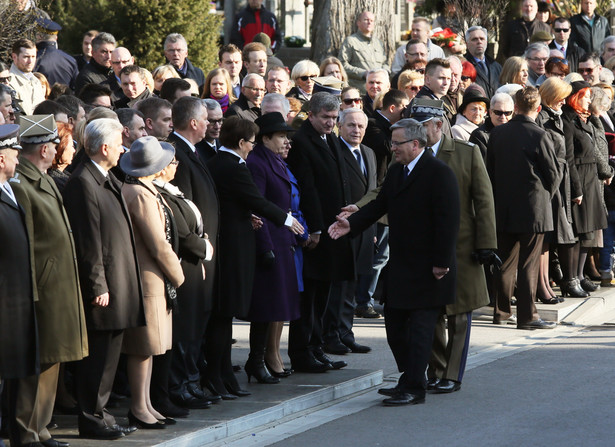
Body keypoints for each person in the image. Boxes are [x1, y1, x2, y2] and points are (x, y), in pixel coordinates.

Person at [329, 118, 460, 405]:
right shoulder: (398, 171)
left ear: (415, 144)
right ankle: (411, 375)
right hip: (402, 264)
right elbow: (380, 205)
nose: (393, 148)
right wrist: (352, 224)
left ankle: (414, 387)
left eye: (397, 143)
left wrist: (441, 261)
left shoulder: (439, 173)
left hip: (430, 267)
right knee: (395, 324)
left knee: (421, 329)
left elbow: (448, 221)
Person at [406, 100, 497, 394]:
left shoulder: (466, 153)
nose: (417, 133)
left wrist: (486, 243)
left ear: (438, 125)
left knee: (459, 314)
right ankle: (436, 368)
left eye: (423, 127)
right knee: (429, 314)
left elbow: (483, 200)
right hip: (425, 248)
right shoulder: (409, 156)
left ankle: (452, 374)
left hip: (462, 247)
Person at [8, 115, 88, 447]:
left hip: (56, 286)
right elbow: (23, 243)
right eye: (54, 145)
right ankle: (26, 433)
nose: (57, 150)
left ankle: (40, 428)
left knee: (51, 360)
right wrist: (32, 294)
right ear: (43, 149)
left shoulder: (40, 178)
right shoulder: (22, 184)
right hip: (41, 290)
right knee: (34, 366)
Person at [63, 118, 144, 440]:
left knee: (109, 356)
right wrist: (98, 285)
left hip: (118, 282)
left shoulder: (105, 177)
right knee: (97, 358)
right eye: (119, 142)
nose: (124, 147)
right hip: (104, 287)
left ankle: (102, 413)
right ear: (104, 147)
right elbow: (88, 241)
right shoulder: (83, 182)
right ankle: (92, 418)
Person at [207, 116, 303, 385]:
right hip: (242, 245)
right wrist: (286, 219)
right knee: (232, 313)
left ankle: (226, 374)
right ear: (242, 142)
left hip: (249, 237)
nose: (251, 148)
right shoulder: (236, 165)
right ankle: (224, 373)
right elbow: (255, 199)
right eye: (249, 142)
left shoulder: (229, 162)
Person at [119, 137, 184, 429]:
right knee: (142, 346)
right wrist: (179, 275)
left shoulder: (144, 190)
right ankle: (138, 406)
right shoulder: (140, 193)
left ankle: (145, 404)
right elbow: (158, 244)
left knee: (150, 347)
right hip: (147, 278)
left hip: (153, 278)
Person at [487, 86, 562, 329]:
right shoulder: (540, 135)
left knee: (505, 261)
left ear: (515, 107)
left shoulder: (497, 134)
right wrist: (546, 195)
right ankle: (527, 316)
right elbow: (553, 174)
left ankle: (501, 312)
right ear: (538, 109)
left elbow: (489, 172)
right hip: (533, 209)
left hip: (503, 206)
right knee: (528, 263)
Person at [152, 143, 214, 410]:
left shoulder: (173, 192)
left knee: (192, 331)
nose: (176, 166)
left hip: (192, 266)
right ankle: (178, 386)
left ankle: (190, 381)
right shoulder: (159, 194)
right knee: (180, 333)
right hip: (180, 268)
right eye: (173, 162)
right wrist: (206, 248)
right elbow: (181, 234)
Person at [168, 96, 221, 401]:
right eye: (206, 119)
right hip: (191, 258)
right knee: (186, 325)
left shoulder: (192, 151)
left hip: (203, 255)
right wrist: (199, 249)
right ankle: (181, 385)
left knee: (197, 322)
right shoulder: (178, 153)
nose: (209, 125)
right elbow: (181, 209)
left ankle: (191, 380)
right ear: (193, 123)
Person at [244, 112, 303, 378]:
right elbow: (257, 207)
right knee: (267, 305)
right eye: (281, 136)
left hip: (283, 240)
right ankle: (258, 360)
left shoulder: (275, 161)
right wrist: (264, 245)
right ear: (265, 137)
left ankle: (269, 356)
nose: (285, 141)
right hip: (269, 241)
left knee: (279, 305)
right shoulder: (258, 162)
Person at [324, 108, 377, 355]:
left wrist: (371, 226)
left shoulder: (369, 153)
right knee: (338, 285)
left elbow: (374, 192)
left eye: (361, 126)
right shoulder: (334, 151)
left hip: (363, 228)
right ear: (340, 127)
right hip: (340, 225)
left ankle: (346, 332)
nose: (356, 130)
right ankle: (331, 334)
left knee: (353, 284)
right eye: (351, 125)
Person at [0, 124, 40, 447]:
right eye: (14, 153)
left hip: (16, 301)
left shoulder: (9, 189)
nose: (18, 159)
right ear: (2, 159)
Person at [562, 81, 612, 295]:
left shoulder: (585, 119)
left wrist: (605, 171)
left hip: (591, 179)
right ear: (576, 96)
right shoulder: (569, 120)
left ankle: (580, 276)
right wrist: (576, 189)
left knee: (587, 232)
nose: (590, 100)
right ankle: (571, 279)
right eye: (586, 96)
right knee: (576, 233)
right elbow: (570, 159)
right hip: (580, 181)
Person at [338, 11, 389, 90]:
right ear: (358, 23)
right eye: (366, 20)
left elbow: (385, 63)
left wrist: (384, 73)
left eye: (371, 21)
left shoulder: (378, 43)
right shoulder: (351, 41)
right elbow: (342, 65)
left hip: (379, 91)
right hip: (360, 90)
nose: (369, 22)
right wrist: (363, 73)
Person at [34, 16, 79, 91]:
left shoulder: (35, 59)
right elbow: (75, 88)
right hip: (64, 101)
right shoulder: (70, 60)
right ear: (56, 38)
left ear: (39, 37)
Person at [469, 92, 514, 159]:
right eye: (498, 112)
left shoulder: (516, 133)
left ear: (512, 113)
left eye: (507, 113)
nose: (503, 117)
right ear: (490, 112)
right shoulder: (479, 136)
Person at [463, 26, 502, 98]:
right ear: (467, 44)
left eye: (482, 39)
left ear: (486, 42)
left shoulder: (496, 66)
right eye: (474, 39)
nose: (479, 42)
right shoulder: (463, 66)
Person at [9, 39, 44, 115]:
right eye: (26, 57)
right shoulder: (9, 83)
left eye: (33, 56)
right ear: (14, 57)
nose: (30, 61)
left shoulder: (36, 81)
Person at [48, 121, 76, 191]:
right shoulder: (56, 181)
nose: (74, 150)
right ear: (60, 148)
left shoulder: (66, 174)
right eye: (71, 146)